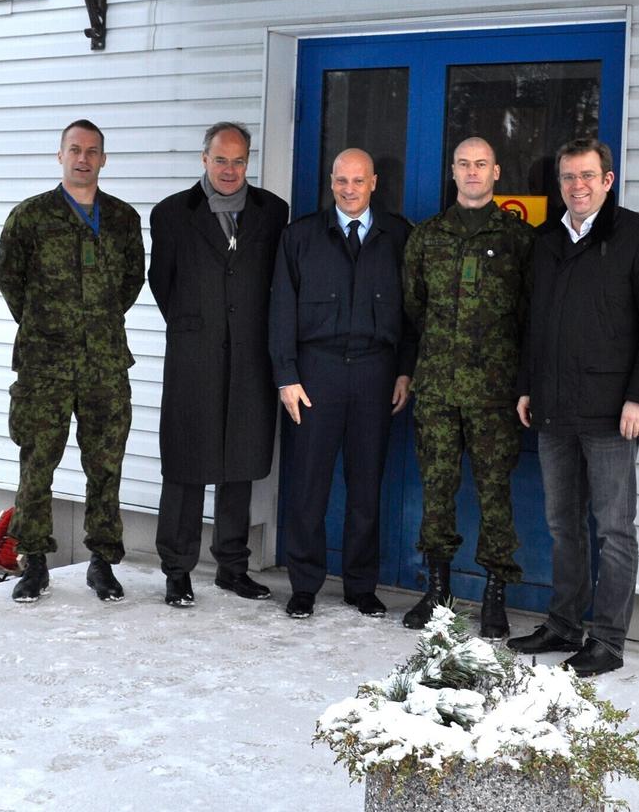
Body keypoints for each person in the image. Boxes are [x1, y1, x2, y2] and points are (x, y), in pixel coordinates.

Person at [511, 137, 639, 677]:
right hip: (554, 410)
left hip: (612, 414)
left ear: (607, 180)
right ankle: (563, 624)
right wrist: (527, 387)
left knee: (613, 529)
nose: (577, 186)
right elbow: (533, 324)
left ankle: (607, 639)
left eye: (587, 176)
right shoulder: (546, 242)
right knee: (563, 524)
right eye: (568, 177)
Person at [0, 120, 146, 604]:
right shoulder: (31, 217)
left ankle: (102, 561)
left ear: (104, 159)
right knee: (37, 462)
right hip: (45, 364)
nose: (84, 158)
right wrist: (49, 324)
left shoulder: (122, 218)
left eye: (92, 151)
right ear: (60, 155)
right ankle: (33, 561)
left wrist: (95, 323)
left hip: (105, 362)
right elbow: (10, 279)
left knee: (106, 464)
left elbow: (131, 281)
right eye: (75, 150)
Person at [268, 148, 415, 620]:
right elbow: (281, 309)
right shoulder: (300, 236)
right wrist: (287, 376)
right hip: (317, 373)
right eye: (340, 180)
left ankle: (361, 586)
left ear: (374, 183)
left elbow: (414, 313)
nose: (349, 189)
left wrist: (405, 370)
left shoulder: (399, 236)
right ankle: (304, 585)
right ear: (330, 182)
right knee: (308, 484)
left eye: (358, 180)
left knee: (366, 484)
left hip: (376, 372)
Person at [149, 123, 289, 608]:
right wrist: (197, 326)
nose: (230, 170)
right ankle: (177, 570)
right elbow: (162, 281)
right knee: (186, 464)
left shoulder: (272, 212)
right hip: (194, 358)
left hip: (250, 356)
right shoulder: (172, 213)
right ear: (204, 158)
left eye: (239, 160)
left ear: (249, 161)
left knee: (239, 464)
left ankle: (233, 567)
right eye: (221, 159)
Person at [400, 137, 534, 638]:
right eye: (463, 164)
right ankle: (438, 591)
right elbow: (414, 307)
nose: (472, 172)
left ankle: (494, 595)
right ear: (452, 172)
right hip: (437, 388)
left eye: (481, 164)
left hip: (495, 395)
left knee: (495, 493)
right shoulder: (426, 237)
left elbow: (529, 316)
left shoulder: (520, 239)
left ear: (496, 172)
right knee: (437, 490)